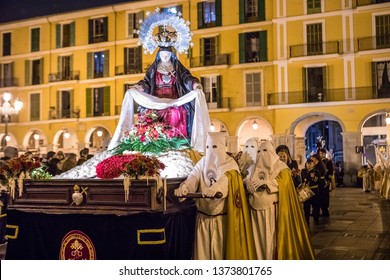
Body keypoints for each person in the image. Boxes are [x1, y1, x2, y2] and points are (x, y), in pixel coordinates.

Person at [108, 11, 210, 153]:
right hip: (156, 100)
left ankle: (176, 144)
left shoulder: (177, 67)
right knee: (153, 115)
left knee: (176, 113)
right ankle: (155, 142)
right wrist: (138, 87)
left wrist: (194, 85)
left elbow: (187, 78)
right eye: (163, 54)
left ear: (172, 55)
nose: (165, 56)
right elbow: (147, 82)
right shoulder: (154, 69)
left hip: (174, 100)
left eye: (168, 54)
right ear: (159, 55)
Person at [174, 132, 255, 260]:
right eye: (208, 147)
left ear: (223, 147)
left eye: (215, 147)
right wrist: (184, 187)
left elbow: (226, 179)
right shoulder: (203, 162)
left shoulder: (230, 164)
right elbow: (193, 176)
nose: (210, 151)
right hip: (203, 219)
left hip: (222, 222)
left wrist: (215, 189)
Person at [245, 140, 314, 260]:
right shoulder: (253, 166)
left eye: (265, 151)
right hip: (254, 210)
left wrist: (266, 183)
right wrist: (246, 183)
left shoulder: (281, 167)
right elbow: (246, 178)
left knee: (271, 239)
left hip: (272, 210)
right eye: (259, 151)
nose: (262, 154)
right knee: (257, 238)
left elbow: (283, 183)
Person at [300, 158, 321, 225]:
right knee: (306, 207)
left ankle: (316, 219)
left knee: (315, 206)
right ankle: (306, 220)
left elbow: (317, 180)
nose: (309, 165)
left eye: (310, 163)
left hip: (314, 190)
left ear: (313, 165)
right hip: (306, 191)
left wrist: (313, 177)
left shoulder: (316, 171)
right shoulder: (303, 171)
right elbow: (303, 179)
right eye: (307, 163)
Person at [318, 148, 332, 216]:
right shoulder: (318, 162)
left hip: (325, 180)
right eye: (320, 153)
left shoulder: (328, 161)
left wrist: (329, 180)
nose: (321, 155)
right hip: (320, 182)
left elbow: (330, 172)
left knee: (325, 195)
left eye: (322, 153)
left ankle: (326, 210)